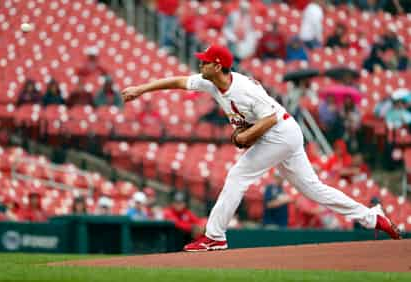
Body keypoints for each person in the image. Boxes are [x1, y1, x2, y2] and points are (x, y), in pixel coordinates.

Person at [121, 44, 401, 251]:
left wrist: (246, 137)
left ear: (217, 66)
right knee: (314, 190)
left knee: (238, 176)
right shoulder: (210, 83)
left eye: (205, 62)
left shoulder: (244, 89)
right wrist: (141, 88)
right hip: (282, 133)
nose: (200, 65)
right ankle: (371, 216)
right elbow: (178, 82)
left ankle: (215, 236)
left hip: (281, 132)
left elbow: (270, 118)